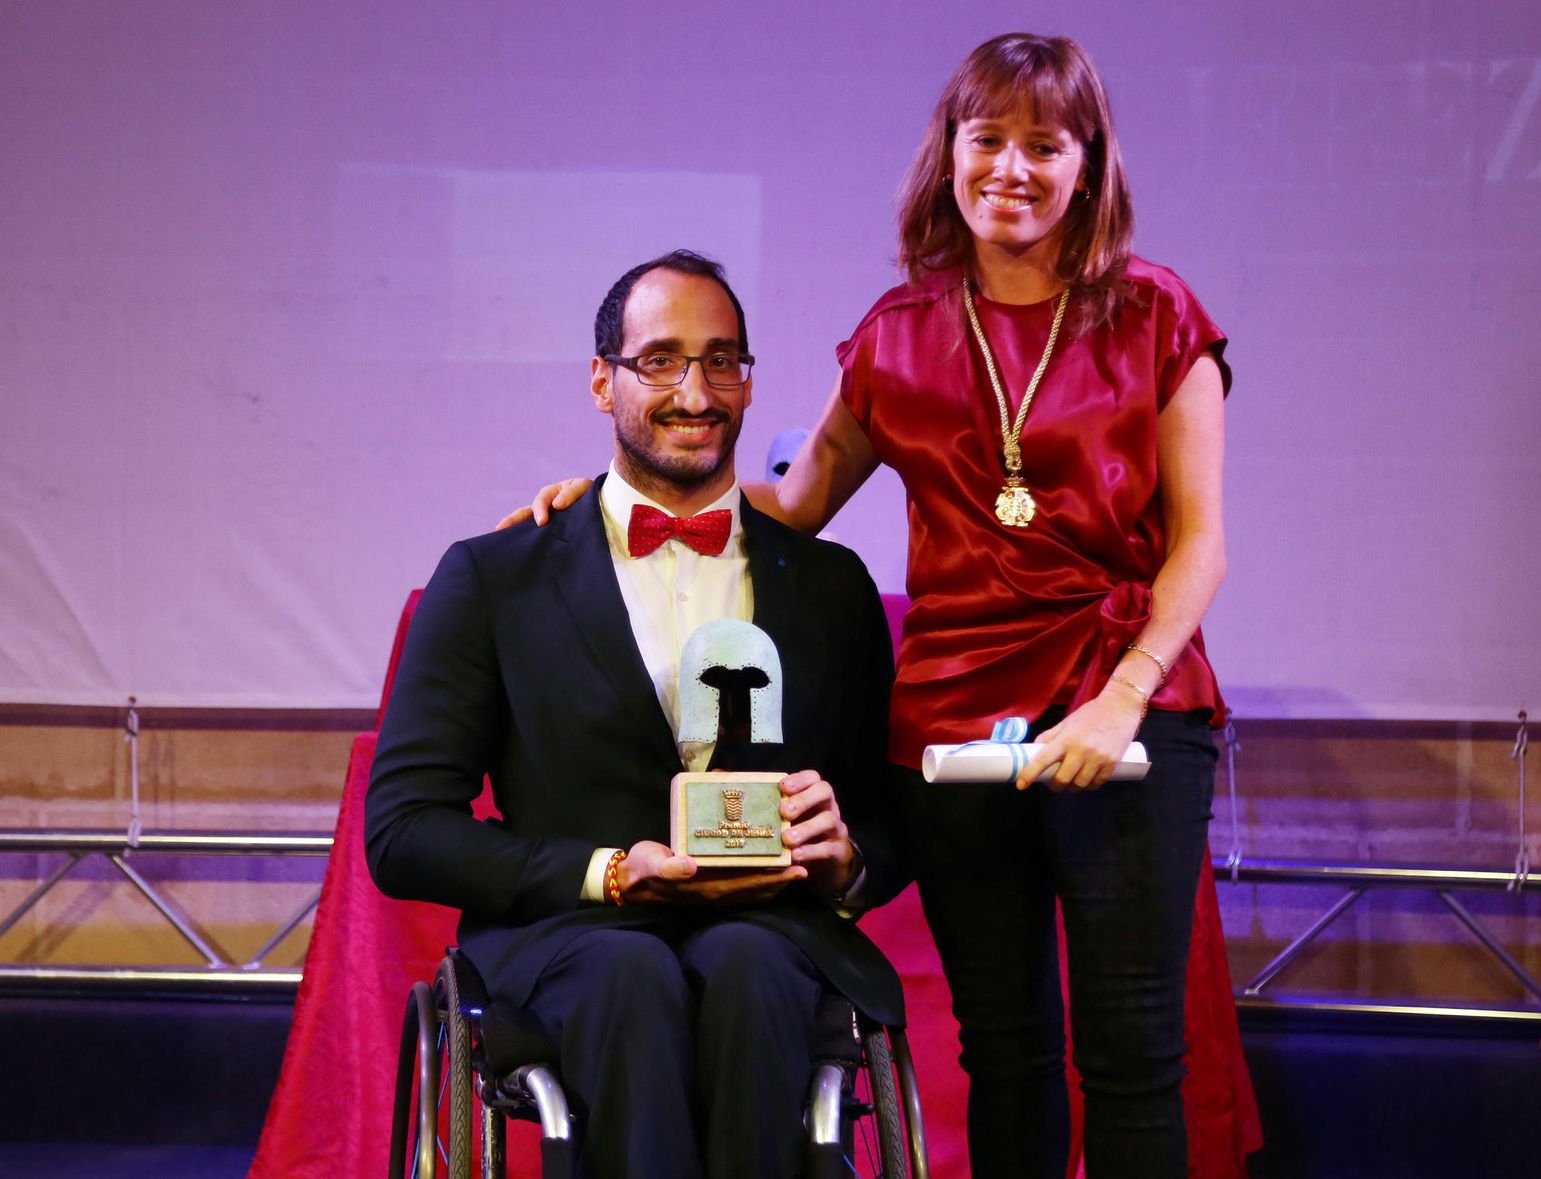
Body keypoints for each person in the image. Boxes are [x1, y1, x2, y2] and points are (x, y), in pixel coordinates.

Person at [511, 33, 1250, 1179]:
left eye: (1042, 145)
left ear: (1089, 164)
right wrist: (616, 496)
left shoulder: (1156, 315)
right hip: (954, 719)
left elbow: (1200, 542)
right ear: (947, 155)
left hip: (1124, 707)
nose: (1011, 167)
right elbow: (793, 502)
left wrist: (1124, 699)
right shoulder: (898, 332)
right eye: (986, 139)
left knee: (1132, 1055)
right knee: (1003, 1052)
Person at [366, 249, 908, 1179]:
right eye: (659, 360)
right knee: (629, 974)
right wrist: (607, 872)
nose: (694, 391)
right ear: (601, 380)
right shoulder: (495, 578)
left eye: (721, 361)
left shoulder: (832, 586)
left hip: (773, 934)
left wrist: (848, 856)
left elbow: (894, 817)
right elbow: (405, 830)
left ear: (747, 383)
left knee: (746, 965)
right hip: (573, 939)